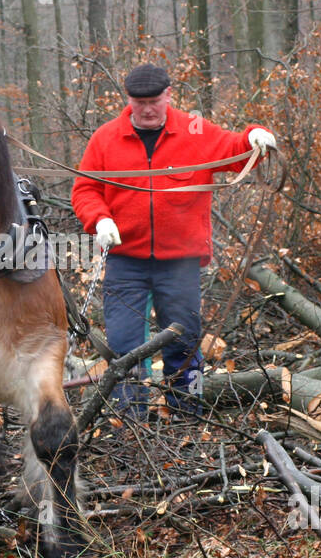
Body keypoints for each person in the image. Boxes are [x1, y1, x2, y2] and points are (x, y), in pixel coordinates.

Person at [71, 63, 277, 418]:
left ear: (168, 95)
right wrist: (99, 218)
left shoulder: (195, 131)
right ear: (129, 100)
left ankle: (189, 412)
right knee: (124, 347)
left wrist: (255, 136)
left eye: (154, 100)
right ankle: (129, 420)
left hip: (180, 262)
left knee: (185, 344)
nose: (147, 109)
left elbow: (234, 146)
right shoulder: (106, 138)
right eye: (139, 102)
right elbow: (85, 188)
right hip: (125, 260)